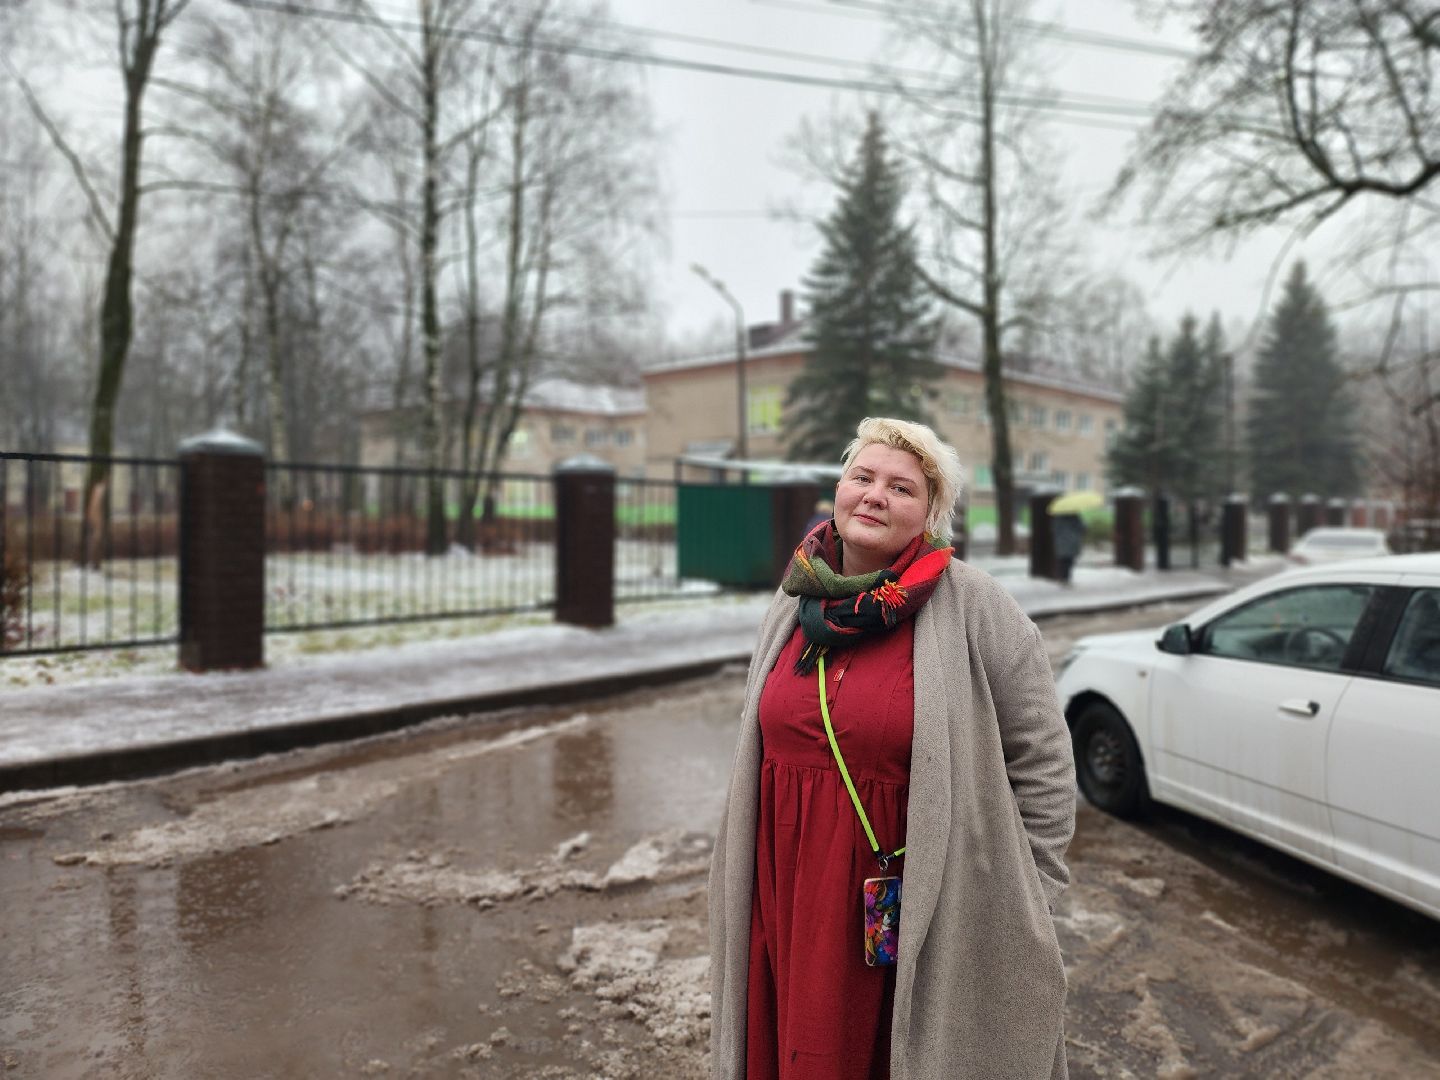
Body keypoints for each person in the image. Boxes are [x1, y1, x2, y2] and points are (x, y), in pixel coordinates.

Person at [709, 417, 1075, 1080]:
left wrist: (1032, 891)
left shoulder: (976, 605)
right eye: (863, 477)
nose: (876, 495)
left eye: (902, 488)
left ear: (931, 515)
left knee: (889, 1047)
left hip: (912, 891)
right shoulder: (796, 599)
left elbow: (1042, 755)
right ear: (839, 492)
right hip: (785, 880)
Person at [1052, 512, 1084, 585]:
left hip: (1061, 542)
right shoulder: (1075, 516)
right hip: (1072, 542)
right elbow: (1082, 527)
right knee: (1069, 561)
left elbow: (1054, 529)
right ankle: (1066, 578)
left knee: (1062, 560)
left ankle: (1062, 577)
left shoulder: (1058, 517)